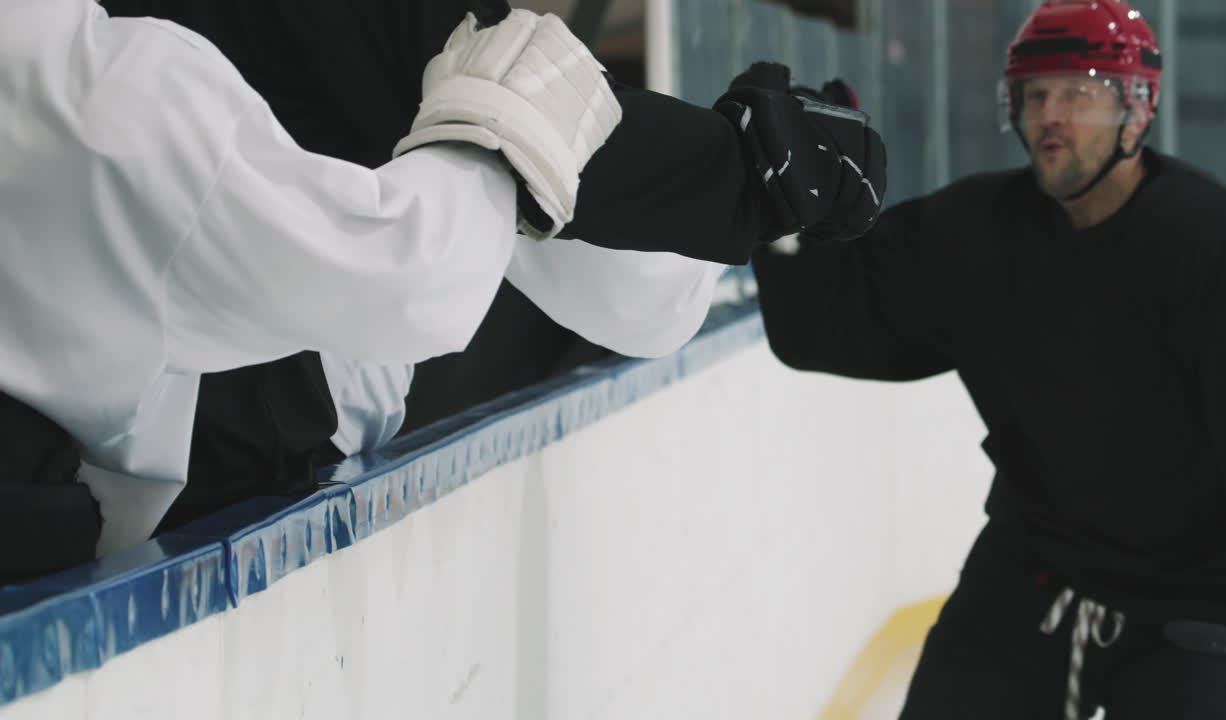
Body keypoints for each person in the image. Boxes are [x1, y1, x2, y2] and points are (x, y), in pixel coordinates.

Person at [87, 1, 889, 534]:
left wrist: (730, 187)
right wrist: (741, 175)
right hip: (201, 495)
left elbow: (633, 296)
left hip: (156, 494)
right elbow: (422, 280)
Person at [749, 1, 1226, 717]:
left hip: (1206, 605)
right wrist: (791, 220)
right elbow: (832, 321)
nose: (1051, 116)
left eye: (1078, 93)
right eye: (1034, 94)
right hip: (1039, 570)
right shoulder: (976, 230)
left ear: (1138, 108)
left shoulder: (1221, 248)